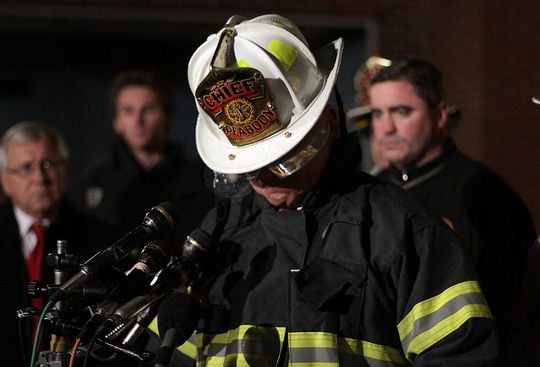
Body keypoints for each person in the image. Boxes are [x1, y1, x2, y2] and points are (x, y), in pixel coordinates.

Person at [159, 14, 502, 366]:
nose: (264, 181)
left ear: (329, 124)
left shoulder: (399, 230)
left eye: (283, 161)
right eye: (247, 168)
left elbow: (462, 355)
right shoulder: (221, 232)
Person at [368, 58, 537, 360]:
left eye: (402, 111)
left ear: (441, 115)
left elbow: (510, 307)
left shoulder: (484, 192)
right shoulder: (373, 187)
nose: (386, 127)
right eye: (377, 114)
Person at [0, 121, 113, 367]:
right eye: (26, 168)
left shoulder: (101, 241)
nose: (40, 178)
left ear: (66, 170)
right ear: (5, 180)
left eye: (49, 164)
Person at [68, 69, 214, 250]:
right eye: (128, 111)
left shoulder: (198, 182)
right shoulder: (90, 187)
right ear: (117, 121)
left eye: (149, 109)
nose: (138, 120)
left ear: (168, 118)